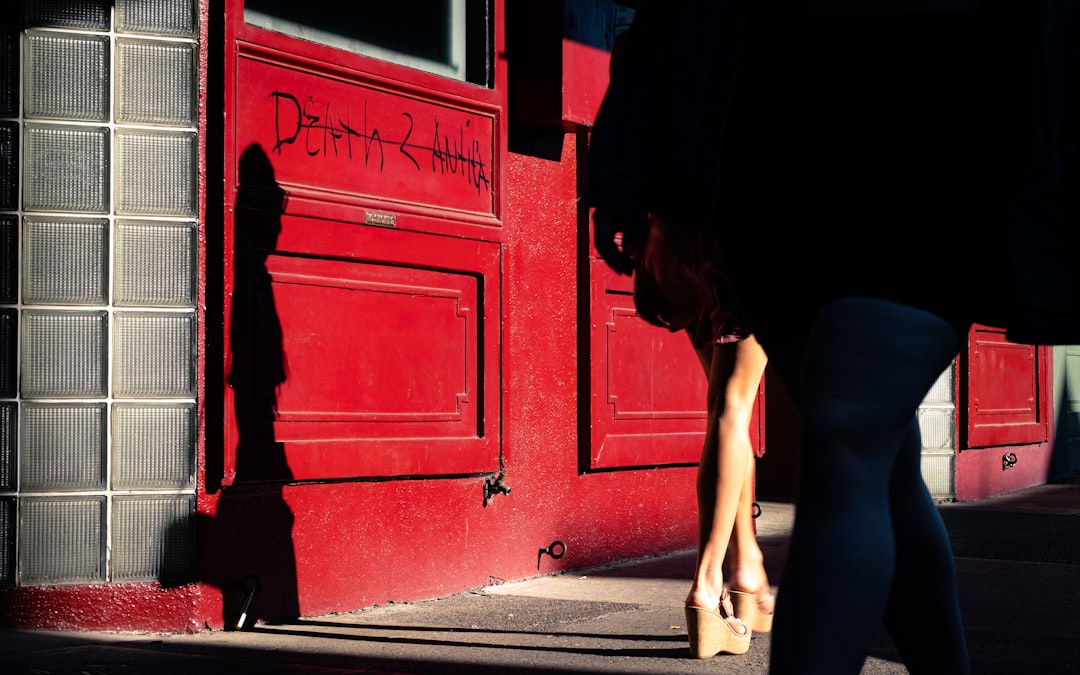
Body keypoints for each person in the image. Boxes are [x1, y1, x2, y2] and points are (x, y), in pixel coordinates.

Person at [584, 1, 1080, 673]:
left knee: (846, 441)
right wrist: (626, 173)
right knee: (881, 464)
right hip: (771, 182)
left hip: (928, 152)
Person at [632, 214, 773, 658]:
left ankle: (747, 566)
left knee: (728, 410)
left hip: (670, 238)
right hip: (741, 235)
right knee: (733, 406)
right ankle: (709, 583)